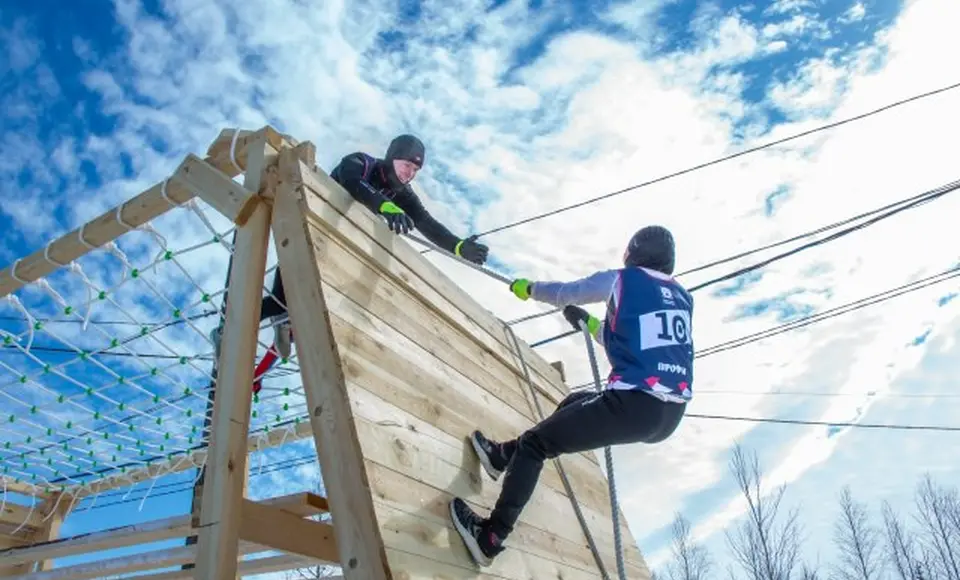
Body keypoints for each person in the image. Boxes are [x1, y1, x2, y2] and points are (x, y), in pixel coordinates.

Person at [448, 225, 694, 567]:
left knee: (536, 445)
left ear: (633, 253)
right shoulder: (681, 297)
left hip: (635, 402)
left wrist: (529, 288)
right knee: (575, 403)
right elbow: (633, 342)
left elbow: (568, 292)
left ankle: (490, 536)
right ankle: (503, 456)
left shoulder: (625, 280)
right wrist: (590, 324)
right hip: (668, 416)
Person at [238, 134, 490, 359]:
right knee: (281, 298)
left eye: (415, 169)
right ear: (393, 158)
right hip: (306, 231)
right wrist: (385, 206)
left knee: (311, 301)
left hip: (335, 248)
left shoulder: (404, 194)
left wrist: (458, 247)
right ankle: (240, 325)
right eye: (406, 165)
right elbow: (353, 183)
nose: (409, 173)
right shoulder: (361, 163)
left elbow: (426, 222)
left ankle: (284, 324)